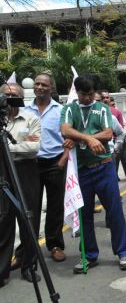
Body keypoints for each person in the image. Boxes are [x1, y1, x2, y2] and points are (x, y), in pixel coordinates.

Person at [60, 75, 126, 273]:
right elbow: (65, 129)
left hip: (104, 167)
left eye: (91, 94)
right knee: (85, 214)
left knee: (114, 211)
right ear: (77, 92)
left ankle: (123, 252)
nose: (88, 98)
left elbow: (108, 133)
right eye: (84, 95)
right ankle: (89, 255)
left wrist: (80, 140)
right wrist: (89, 139)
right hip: (82, 170)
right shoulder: (69, 109)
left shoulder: (102, 108)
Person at [22, 73, 68, 265]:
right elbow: (22, 136)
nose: (40, 87)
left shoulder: (61, 110)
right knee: (29, 208)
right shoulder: (24, 110)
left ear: (52, 88)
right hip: (30, 163)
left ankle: (55, 245)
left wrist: (63, 159)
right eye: (37, 84)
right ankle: (26, 250)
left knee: (55, 206)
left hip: (55, 163)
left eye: (44, 85)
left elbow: (69, 136)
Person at [0, 83, 42, 286]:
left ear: (21, 97)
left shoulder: (30, 118)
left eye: (14, 95)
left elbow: (33, 147)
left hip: (25, 170)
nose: (10, 98)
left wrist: (8, 146)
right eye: (6, 95)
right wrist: (17, 146)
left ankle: (29, 267)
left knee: (28, 219)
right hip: (3, 171)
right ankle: (2, 269)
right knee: (4, 220)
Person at [101, 91, 126, 182]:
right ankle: (115, 177)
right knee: (114, 163)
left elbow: (121, 128)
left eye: (107, 98)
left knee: (125, 159)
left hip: (118, 140)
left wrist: (118, 143)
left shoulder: (116, 112)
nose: (105, 100)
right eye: (103, 98)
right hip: (106, 145)